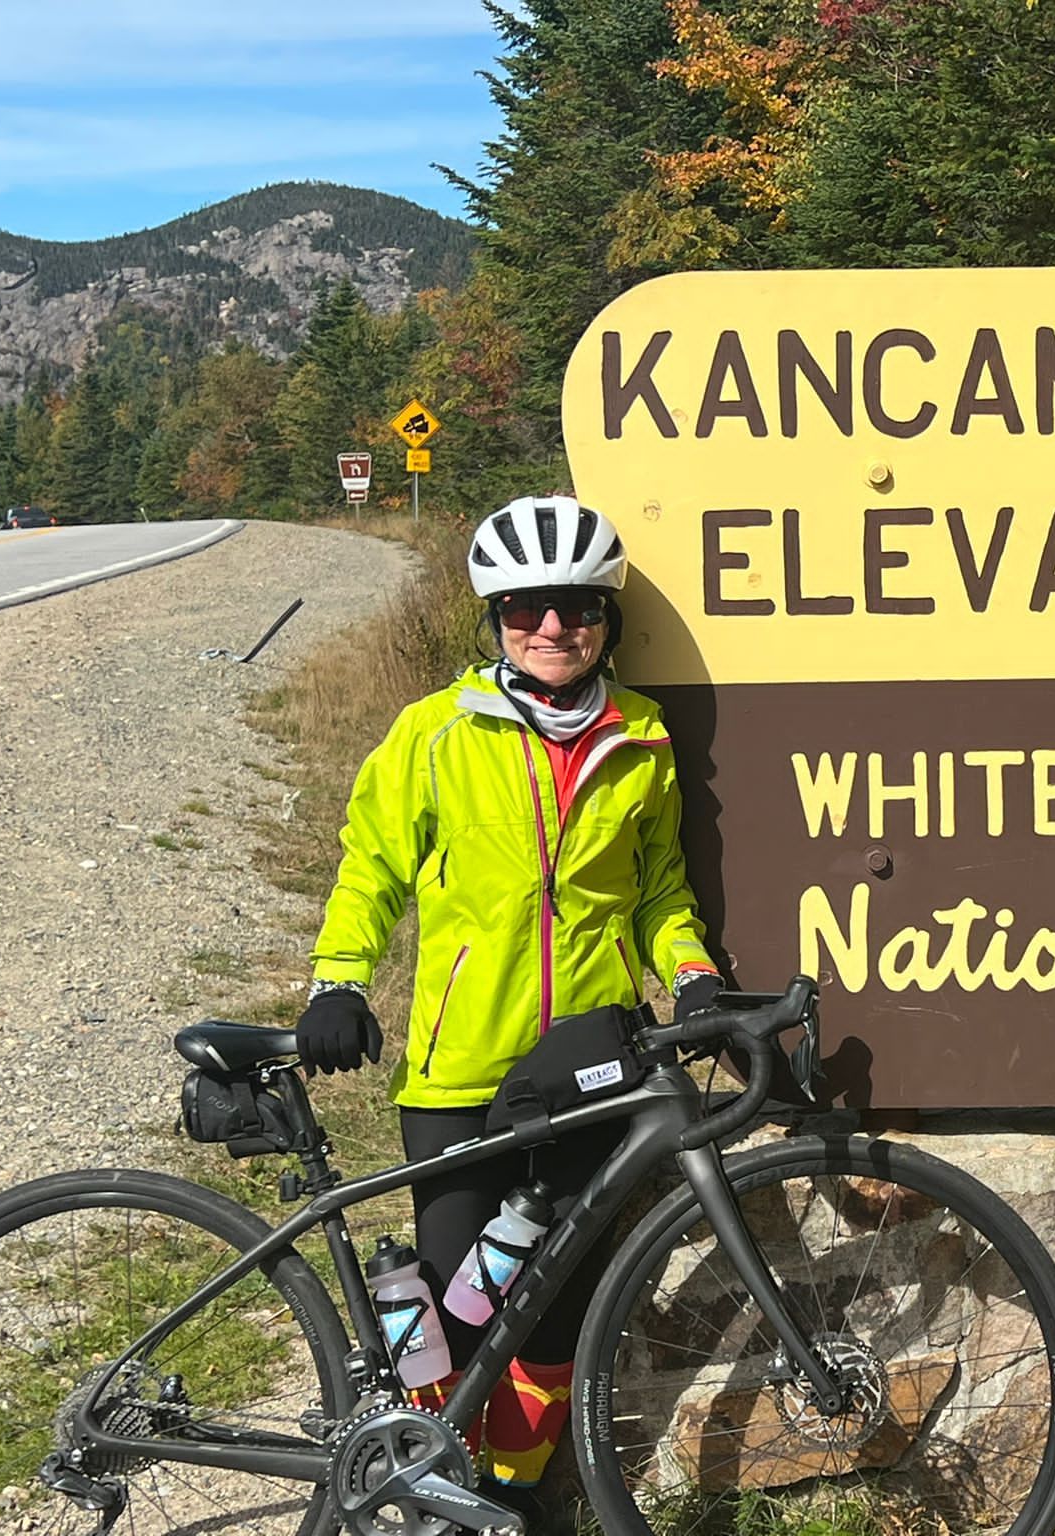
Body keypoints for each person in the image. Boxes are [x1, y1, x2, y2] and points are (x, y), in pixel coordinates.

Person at [294, 494, 720, 1519]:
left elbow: (658, 892)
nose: (551, 630)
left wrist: (693, 970)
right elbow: (373, 868)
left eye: (574, 608)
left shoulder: (643, 740)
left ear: (605, 621)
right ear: (494, 619)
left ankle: (510, 1501)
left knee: (555, 1316)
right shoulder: (435, 734)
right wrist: (339, 977)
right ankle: (429, 1493)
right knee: (448, 1318)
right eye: (525, 608)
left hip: (588, 1073)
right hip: (459, 1073)